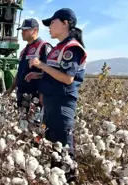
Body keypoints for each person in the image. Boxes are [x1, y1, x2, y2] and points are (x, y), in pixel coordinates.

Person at [29, 8, 87, 160]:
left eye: (52, 23)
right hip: (51, 102)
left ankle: (69, 178)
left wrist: (41, 65)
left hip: (62, 102)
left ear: (65, 23)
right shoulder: (58, 48)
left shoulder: (71, 48)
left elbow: (68, 78)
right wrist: (40, 74)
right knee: (52, 145)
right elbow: (55, 72)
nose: (49, 27)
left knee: (63, 146)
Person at [4, 18, 52, 114]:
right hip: (21, 94)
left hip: (36, 96)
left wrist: (43, 95)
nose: (22, 32)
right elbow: (20, 72)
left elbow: (50, 72)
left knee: (34, 124)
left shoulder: (44, 47)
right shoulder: (23, 51)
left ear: (34, 30)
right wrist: (11, 89)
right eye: (22, 30)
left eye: (25, 30)